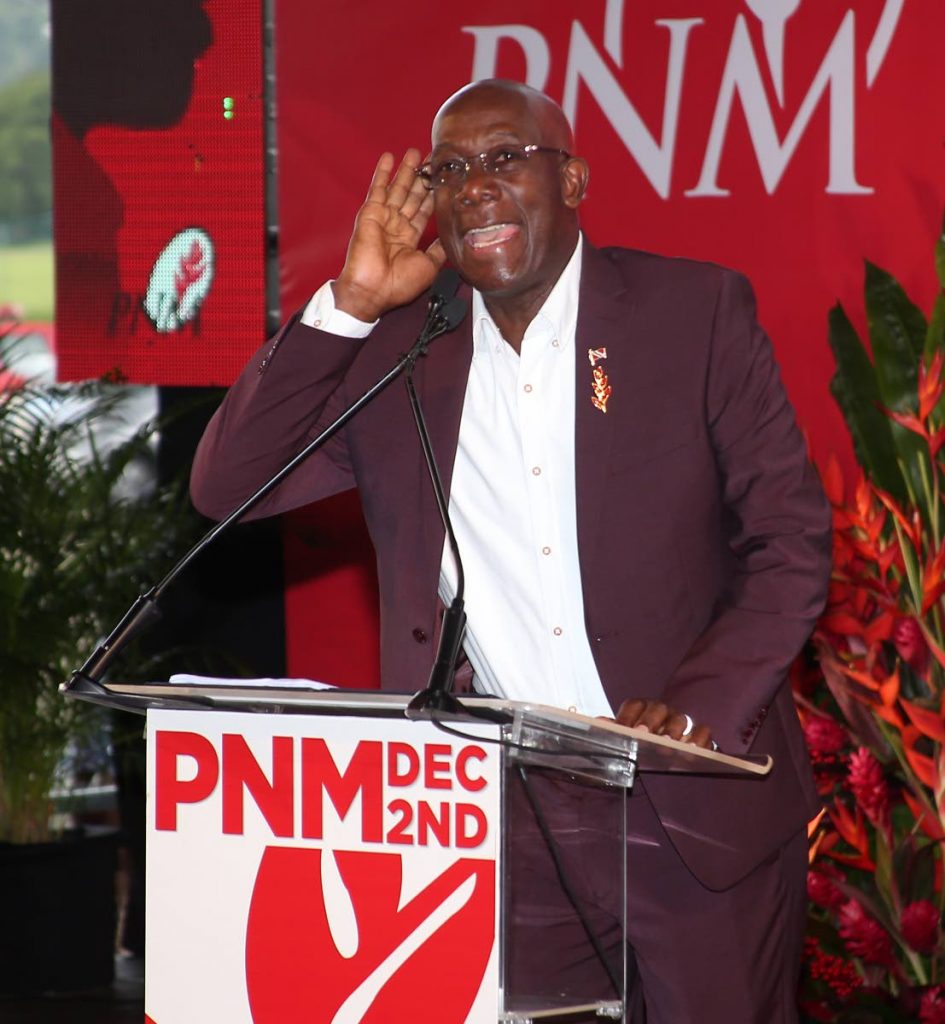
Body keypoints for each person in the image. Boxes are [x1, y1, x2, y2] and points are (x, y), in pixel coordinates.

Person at [191, 79, 831, 1022]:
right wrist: (352, 301)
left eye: (504, 159)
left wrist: (697, 710)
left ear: (571, 180)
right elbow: (224, 487)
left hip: (688, 810)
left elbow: (789, 541)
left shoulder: (689, 314)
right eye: (450, 170)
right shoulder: (402, 352)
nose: (475, 186)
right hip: (503, 820)